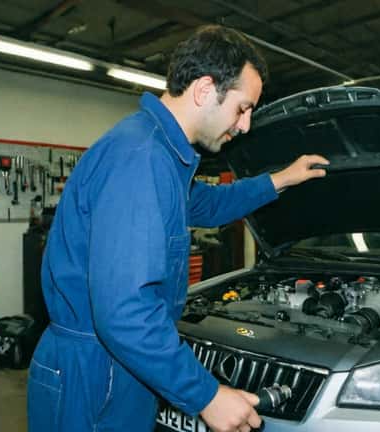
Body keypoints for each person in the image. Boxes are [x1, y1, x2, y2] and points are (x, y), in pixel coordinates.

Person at [27, 25, 329, 432]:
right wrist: (206, 395)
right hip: (96, 375)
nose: (245, 125)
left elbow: (207, 204)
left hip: (112, 364)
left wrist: (281, 179)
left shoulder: (162, 154)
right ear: (205, 89)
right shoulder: (142, 159)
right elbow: (125, 313)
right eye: (242, 108)